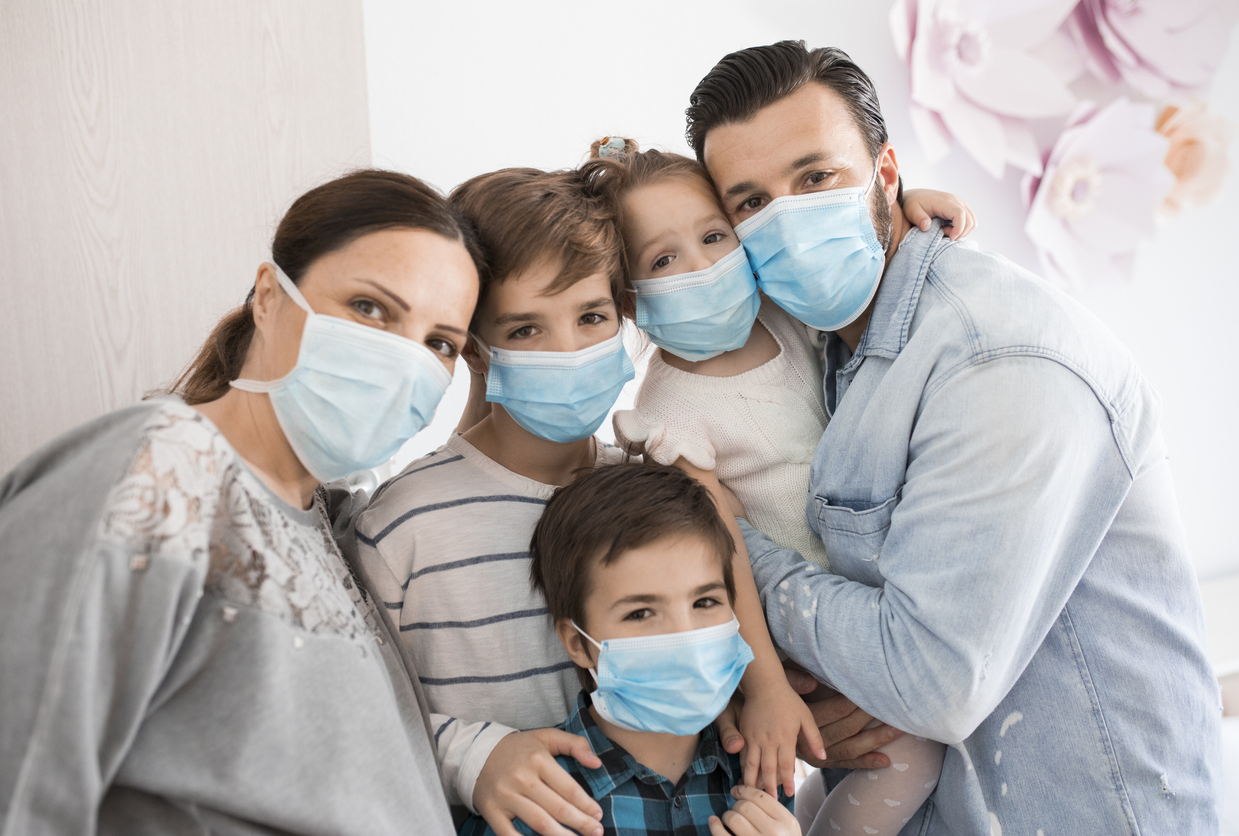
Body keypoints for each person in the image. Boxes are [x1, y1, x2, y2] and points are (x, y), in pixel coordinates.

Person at [687, 40, 1222, 835]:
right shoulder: (826, 345)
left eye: (816, 178)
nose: (789, 221)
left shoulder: (997, 362)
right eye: (751, 203)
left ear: (886, 171)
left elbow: (932, 680)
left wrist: (729, 543)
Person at [0, 169, 482, 835]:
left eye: (440, 344)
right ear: (271, 297)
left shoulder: (330, 528)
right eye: (370, 308)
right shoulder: (164, 468)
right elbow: (15, 782)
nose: (404, 360)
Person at [353, 165, 823, 836]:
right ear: (475, 347)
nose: (568, 349)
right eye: (524, 331)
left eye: (592, 316)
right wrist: (472, 756)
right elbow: (353, 728)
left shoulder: (662, 487)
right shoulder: (404, 524)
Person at [580, 136, 976, 836]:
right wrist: (764, 683)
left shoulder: (786, 315)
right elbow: (721, 550)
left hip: (869, 583)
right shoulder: (669, 414)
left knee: (878, 757)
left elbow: (848, 266)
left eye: (714, 237)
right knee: (907, 755)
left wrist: (904, 204)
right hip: (793, 622)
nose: (701, 267)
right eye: (664, 260)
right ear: (629, 297)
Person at [463, 462, 800, 836]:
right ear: (578, 643)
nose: (685, 635)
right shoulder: (530, 803)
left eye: (704, 602)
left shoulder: (761, 770)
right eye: (640, 613)